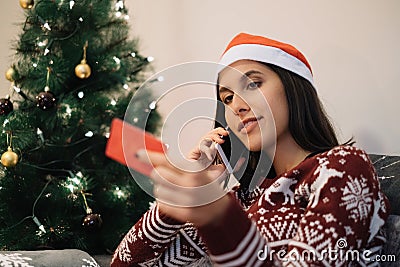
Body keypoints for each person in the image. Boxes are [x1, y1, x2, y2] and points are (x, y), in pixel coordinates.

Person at [111, 33, 390, 266]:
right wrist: (175, 204)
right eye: (227, 98)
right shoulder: (242, 199)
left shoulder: (343, 168)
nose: (237, 106)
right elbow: (124, 264)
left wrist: (221, 220)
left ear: (295, 88)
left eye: (253, 84)